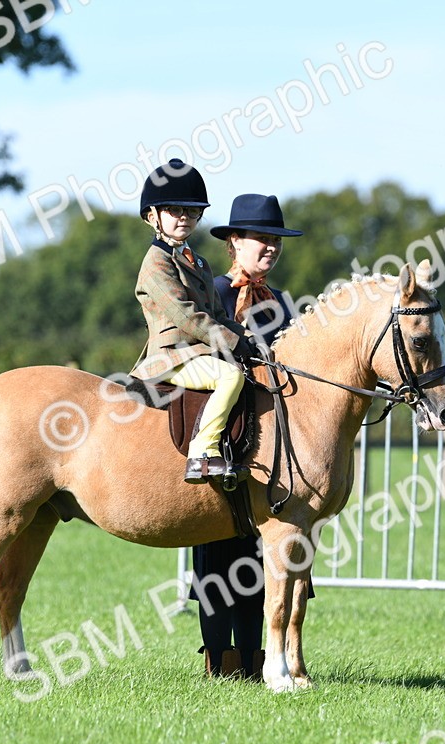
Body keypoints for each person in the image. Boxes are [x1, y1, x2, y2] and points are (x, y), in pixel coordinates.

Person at [191, 193, 304, 680]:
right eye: (261, 238)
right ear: (234, 241)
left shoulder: (282, 303)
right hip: (223, 428)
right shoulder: (211, 290)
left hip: (269, 441)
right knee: (217, 553)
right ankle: (220, 660)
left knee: (259, 557)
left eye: (275, 240)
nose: (270, 248)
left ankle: (257, 661)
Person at [129, 159, 257, 484]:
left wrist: (248, 339)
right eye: (174, 209)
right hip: (171, 355)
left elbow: (218, 315)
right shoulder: (155, 263)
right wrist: (230, 343)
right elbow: (186, 316)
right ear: (152, 216)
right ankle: (201, 454)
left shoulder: (197, 260)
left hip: (198, 352)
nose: (184, 217)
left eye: (192, 210)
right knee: (230, 377)